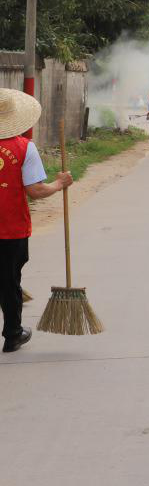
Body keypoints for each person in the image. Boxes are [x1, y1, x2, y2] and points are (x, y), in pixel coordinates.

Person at [0, 89, 73, 353]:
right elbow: (35, 190)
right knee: (9, 282)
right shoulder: (23, 147)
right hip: (10, 228)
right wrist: (59, 184)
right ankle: (13, 334)